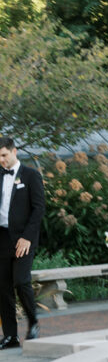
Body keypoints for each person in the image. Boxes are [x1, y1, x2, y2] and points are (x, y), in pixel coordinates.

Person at [0, 136, 45, 349]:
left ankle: (33, 322)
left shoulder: (31, 175)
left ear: (14, 151)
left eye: (4, 155)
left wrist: (27, 237)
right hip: (2, 238)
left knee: (21, 281)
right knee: (3, 287)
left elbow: (39, 209)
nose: (1, 160)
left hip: (23, 239)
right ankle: (10, 336)